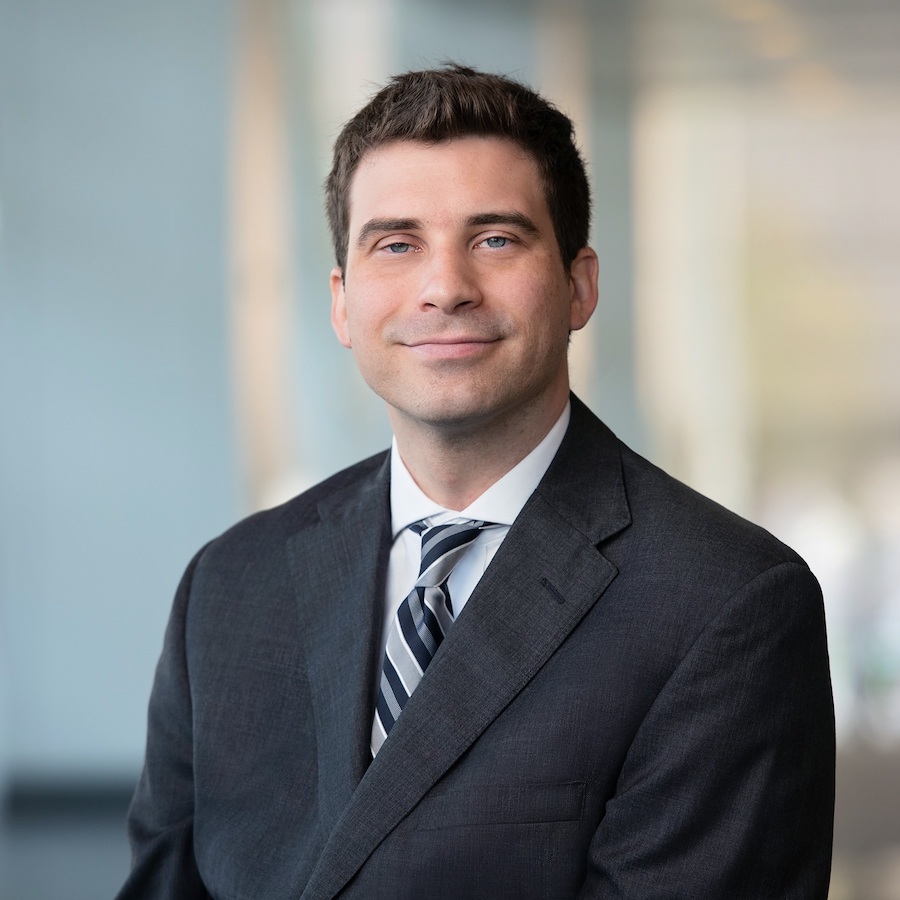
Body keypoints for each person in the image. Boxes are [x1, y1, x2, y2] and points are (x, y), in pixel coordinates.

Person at [117, 64, 834, 899]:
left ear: (578, 285)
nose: (445, 288)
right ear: (343, 303)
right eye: (397, 244)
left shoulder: (725, 603)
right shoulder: (229, 588)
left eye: (495, 239)